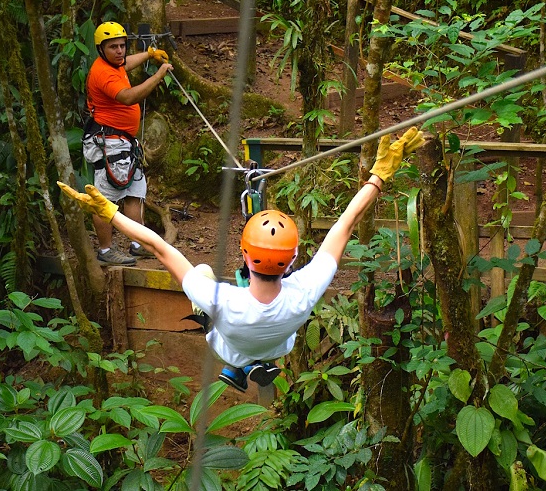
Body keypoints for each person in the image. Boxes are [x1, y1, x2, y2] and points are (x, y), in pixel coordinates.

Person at [59, 127, 425, 391]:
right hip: (278, 341)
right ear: (294, 256)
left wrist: (110, 212)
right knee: (262, 339)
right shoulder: (305, 292)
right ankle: (256, 364)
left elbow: (159, 247)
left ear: (245, 255)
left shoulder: (223, 300)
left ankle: (238, 366)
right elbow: (344, 225)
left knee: (202, 274)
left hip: (229, 338)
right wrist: (379, 176)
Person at [83, 21, 173, 266]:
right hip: (109, 144)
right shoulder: (102, 72)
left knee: (134, 193)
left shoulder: (115, 64)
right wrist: (158, 75)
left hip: (124, 144)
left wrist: (149, 54)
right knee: (106, 198)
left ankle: (137, 245)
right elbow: (128, 97)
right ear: (101, 49)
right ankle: (105, 250)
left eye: (122, 46)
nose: (120, 51)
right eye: (113, 47)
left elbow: (127, 62)